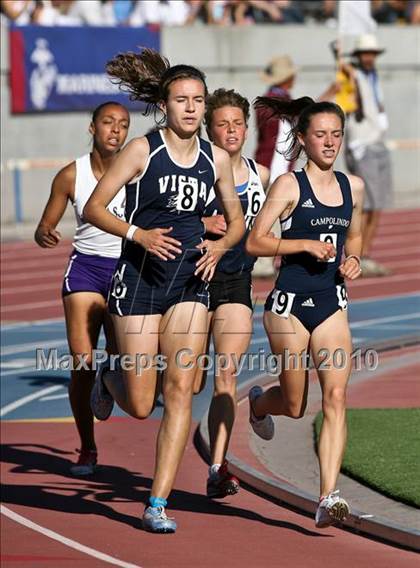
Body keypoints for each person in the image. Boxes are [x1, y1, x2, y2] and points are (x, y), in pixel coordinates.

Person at [83, 48, 245, 534]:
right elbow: (94, 208)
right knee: (138, 401)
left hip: (191, 286)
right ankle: (107, 375)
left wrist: (217, 251)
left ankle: (157, 501)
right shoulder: (141, 151)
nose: (192, 108)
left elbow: (237, 222)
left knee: (180, 392)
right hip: (139, 281)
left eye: (198, 99)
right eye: (182, 100)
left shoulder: (216, 157)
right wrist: (139, 235)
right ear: (164, 106)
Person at [246, 96, 364, 528]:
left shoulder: (354, 186)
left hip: (332, 302)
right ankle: (260, 405)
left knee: (335, 396)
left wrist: (352, 258)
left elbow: (355, 239)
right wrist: (302, 245)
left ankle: (328, 495)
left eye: (336, 133)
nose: (330, 141)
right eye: (321, 134)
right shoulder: (289, 186)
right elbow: (255, 242)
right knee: (295, 404)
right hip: (289, 308)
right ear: (302, 139)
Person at [34, 101, 130, 475]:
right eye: (108, 123)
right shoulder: (70, 175)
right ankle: (88, 448)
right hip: (87, 270)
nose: (115, 131)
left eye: (123, 125)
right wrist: (45, 233)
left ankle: (110, 376)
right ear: (92, 127)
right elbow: (45, 224)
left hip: (127, 272)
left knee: (124, 360)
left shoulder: (136, 172)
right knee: (81, 363)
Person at [195, 88, 270, 498]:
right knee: (186, 381)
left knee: (226, 376)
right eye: (221, 124)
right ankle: (112, 375)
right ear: (209, 129)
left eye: (237, 123)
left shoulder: (261, 176)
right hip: (190, 283)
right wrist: (200, 221)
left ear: (247, 126)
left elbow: (273, 228)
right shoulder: (196, 171)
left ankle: (216, 467)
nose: (231, 131)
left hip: (236, 280)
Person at [344, 34, 392, 277]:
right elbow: (345, 101)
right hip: (362, 144)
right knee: (365, 205)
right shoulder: (351, 76)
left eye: (372, 53)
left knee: (377, 205)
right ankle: (358, 255)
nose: (369, 57)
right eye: (365, 53)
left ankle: (366, 253)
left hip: (378, 142)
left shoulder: (373, 76)